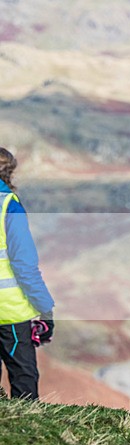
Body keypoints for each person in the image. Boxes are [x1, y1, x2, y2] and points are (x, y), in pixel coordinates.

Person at [0, 148, 55, 400]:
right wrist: (45, 309)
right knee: (24, 379)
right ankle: (25, 435)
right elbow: (24, 266)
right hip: (9, 312)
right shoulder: (9, 207)